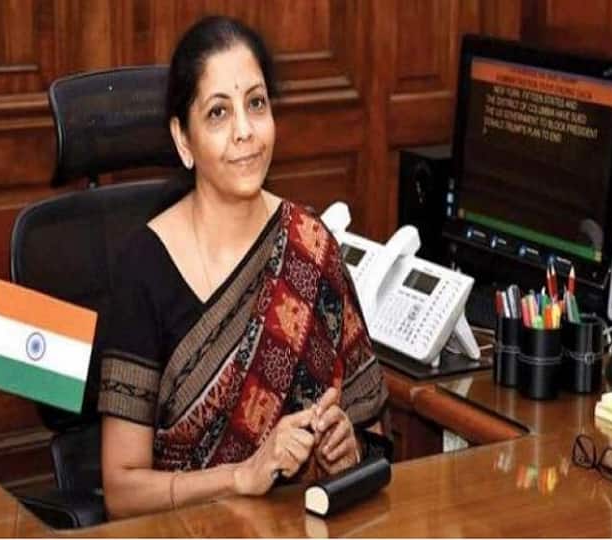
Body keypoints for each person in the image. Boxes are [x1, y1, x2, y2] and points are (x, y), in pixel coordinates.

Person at [97, 15, 391, 520]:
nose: (245, 131)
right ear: (183, 140)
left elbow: (377, 442)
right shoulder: (142, 267)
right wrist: (242, 475)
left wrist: (349, 450)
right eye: (218, 113)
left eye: (256, 104)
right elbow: (122, 491)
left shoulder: (311, 244)